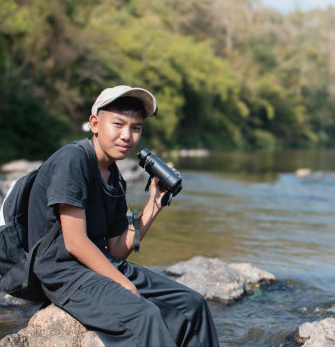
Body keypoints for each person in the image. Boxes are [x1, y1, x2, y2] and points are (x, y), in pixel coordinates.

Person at [27, 85, 219, 346]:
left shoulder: (115, 179)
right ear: (95, 123)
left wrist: (154, 205)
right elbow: (75, 241)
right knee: (145, 315)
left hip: (100, 266)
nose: (127, 135)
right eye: (118, 124)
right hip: (65, 274)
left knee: (192, 304)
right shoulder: (73, 160)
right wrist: (123, 284)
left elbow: (116, 250)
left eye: (136, 128)